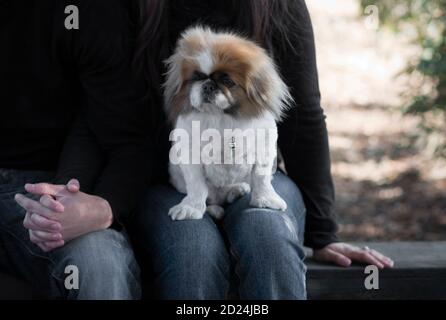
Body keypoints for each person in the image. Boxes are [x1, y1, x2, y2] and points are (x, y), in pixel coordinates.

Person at [130, 0, 394, 300]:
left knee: (268, 238)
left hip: (255, 171)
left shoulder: (278, 5)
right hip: (169, 179)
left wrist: (323, 234)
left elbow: (303, 118)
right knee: (192, 251)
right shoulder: (139, 8)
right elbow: (116, 116)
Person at [0, 0, 147, 299]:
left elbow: (128, 137)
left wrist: (103, 207)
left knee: (98, 263)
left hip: (45, 185)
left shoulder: (87, 13)